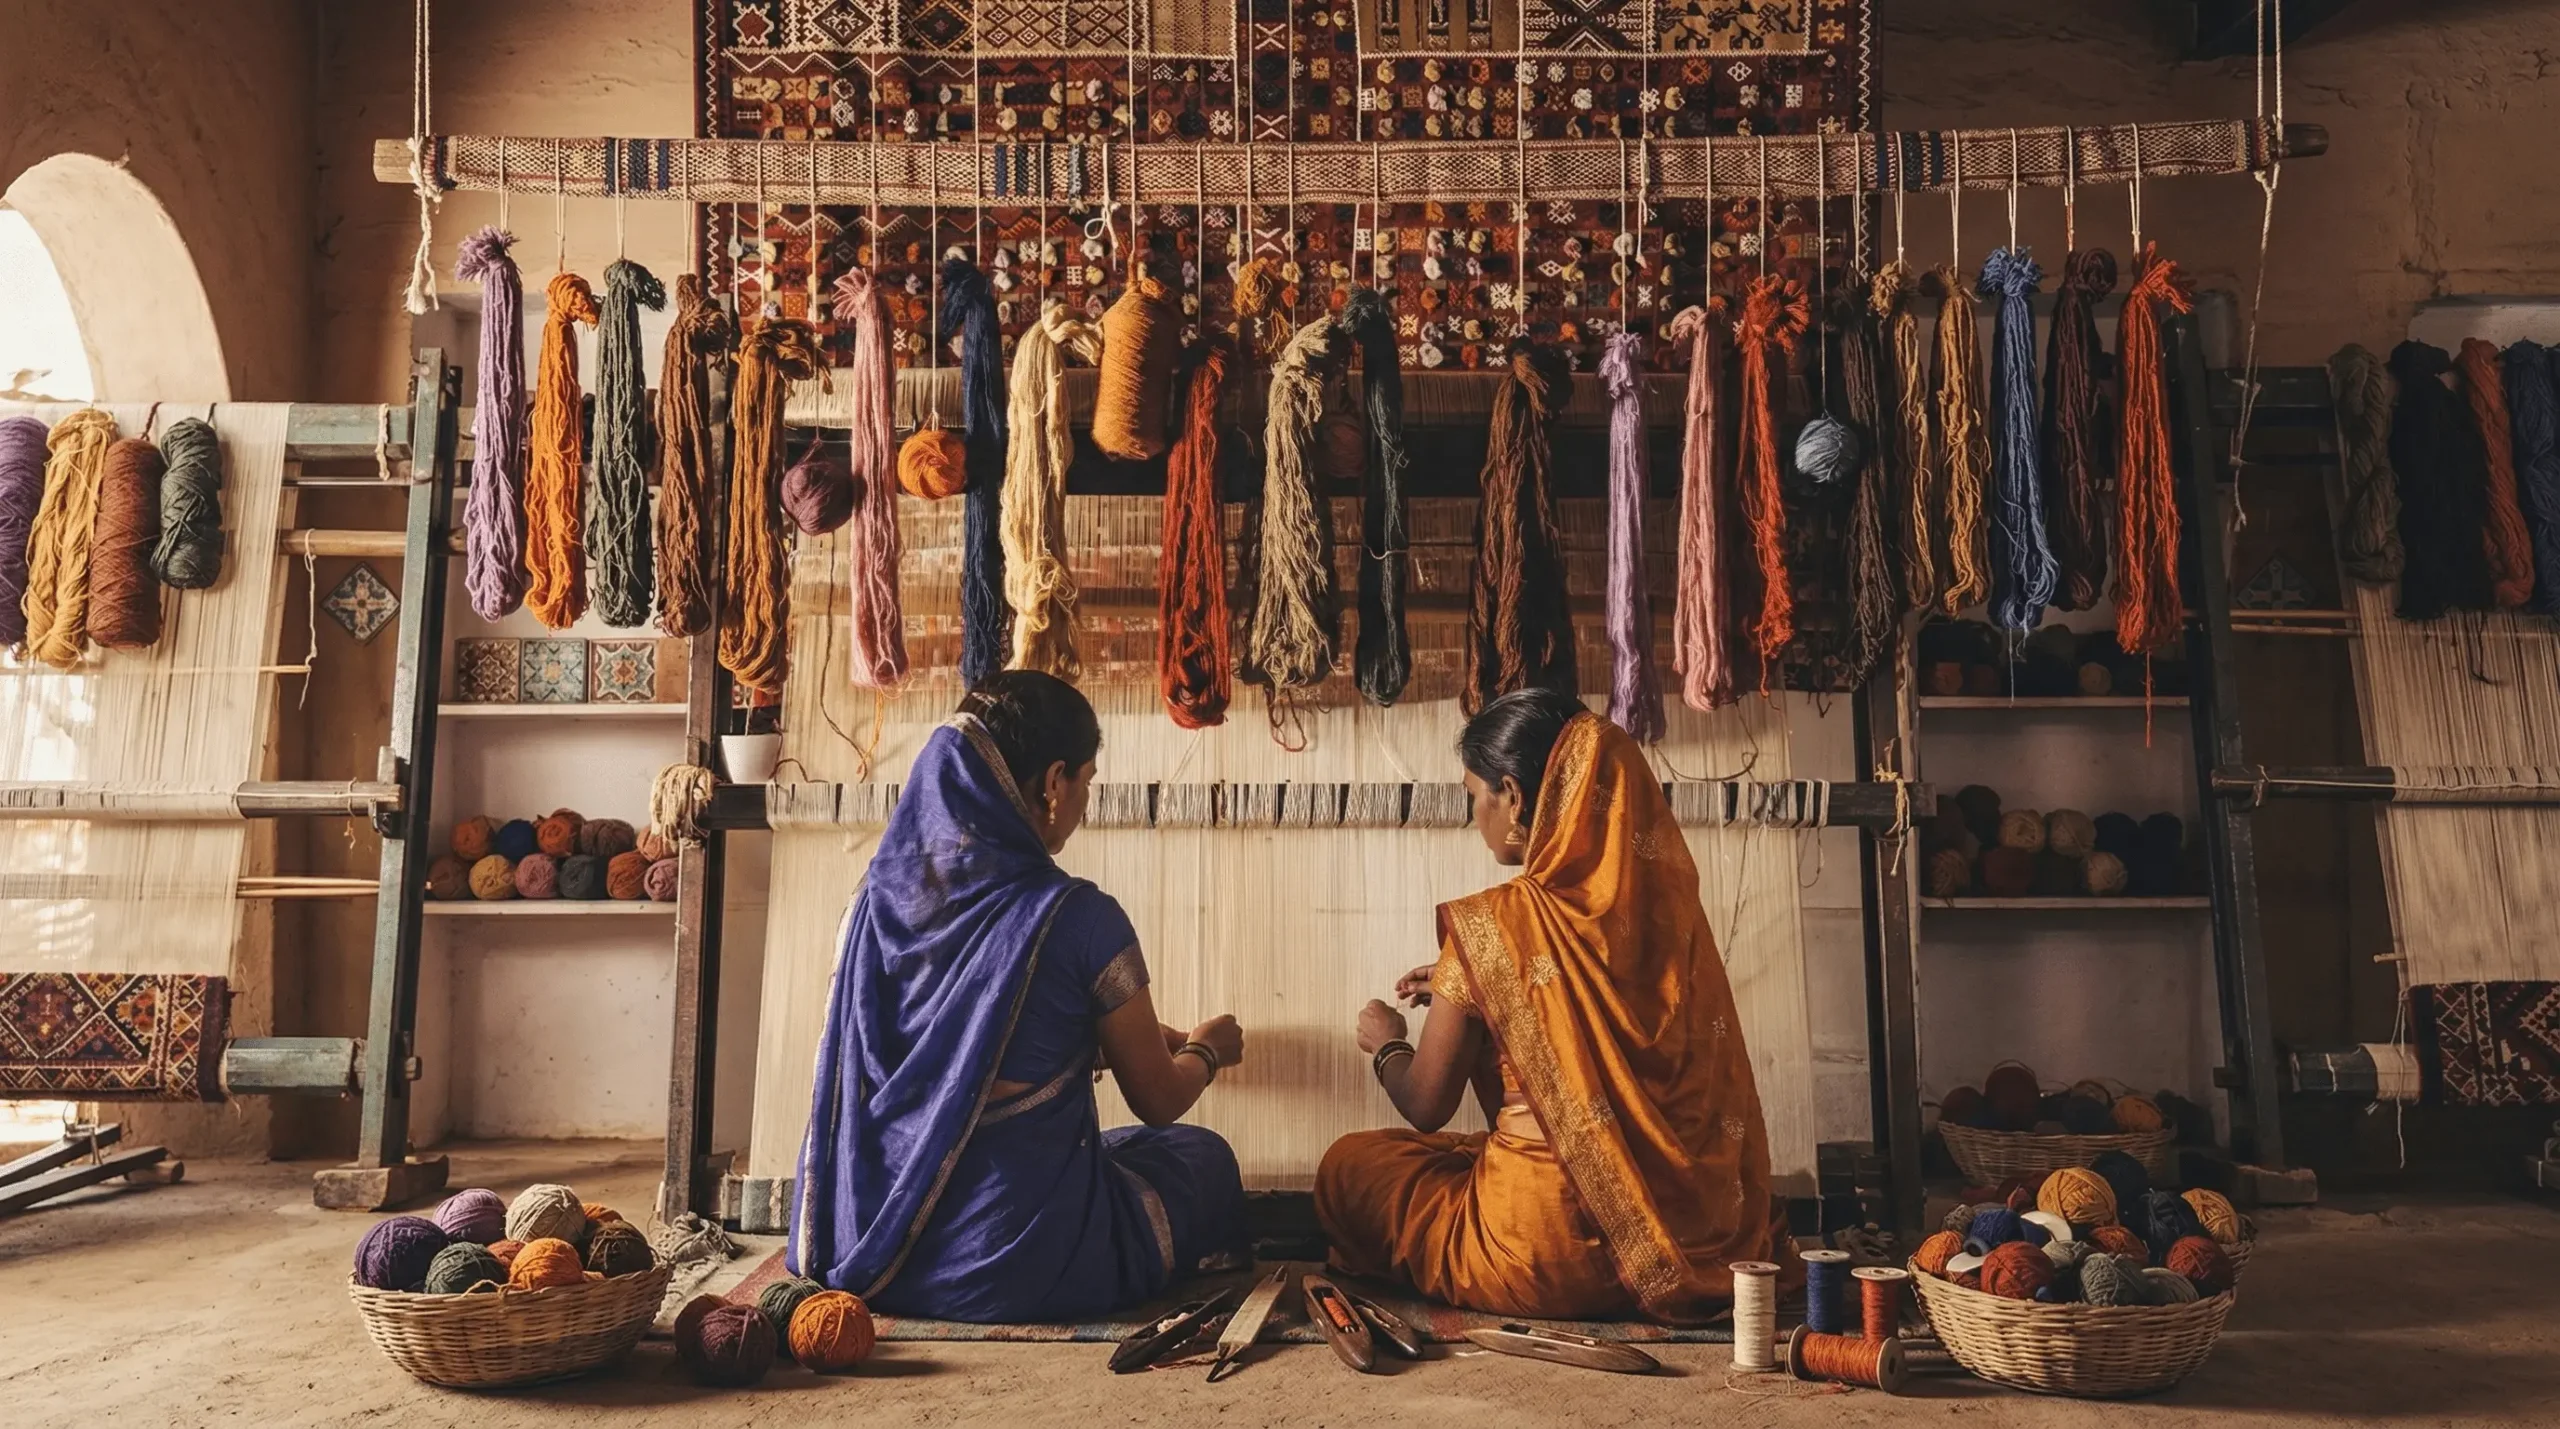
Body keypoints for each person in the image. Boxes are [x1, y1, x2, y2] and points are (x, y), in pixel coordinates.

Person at [1315, 688, 1790, 1323]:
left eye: (1472, 796)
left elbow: (1425, 1104)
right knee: (1460, 1156)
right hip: (1697, 1235)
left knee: (1353, 1166)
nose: (1473, 815)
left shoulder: (1495, 926)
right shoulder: (1668, 923)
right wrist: (1475, 987)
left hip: (1540, 1254)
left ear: (1510, 795)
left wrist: (1389, 1043)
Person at [790, 670, 1250, 1322]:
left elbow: (939, 1057)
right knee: (1200, 1155)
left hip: (873, 1249)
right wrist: (1207, 1048)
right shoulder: (1078, 916)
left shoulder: (871, 906)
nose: (1087, 798)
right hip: (1013, 1261)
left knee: (1103, 1145)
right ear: (1053, 782)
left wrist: (1084, 1040)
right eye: (1088, 779)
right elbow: (1158, 1099)